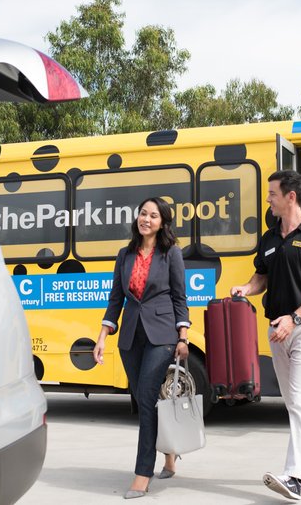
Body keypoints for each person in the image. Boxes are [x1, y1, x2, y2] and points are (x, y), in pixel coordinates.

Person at [231, 170, 301, 501]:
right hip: (277, 330)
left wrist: (294, 317)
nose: (268, 199)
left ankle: (295, 476)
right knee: (294, 402)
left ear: (291, 196)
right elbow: (260, 276)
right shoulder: (270, 238)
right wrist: (246, 289)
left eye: (272, 194)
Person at [93, 196, 191, 500]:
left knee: (147, 398)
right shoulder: (124, 255)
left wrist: (183, 336)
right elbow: (115, 299)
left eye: (153, 215)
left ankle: (142, 473)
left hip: (162, 336)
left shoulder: (171, 253)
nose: (146, 219)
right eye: (142, 214)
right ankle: (170, 452)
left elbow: (179, 297)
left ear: (162, 222)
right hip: (131, 338)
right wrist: (102, 335)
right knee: (144, 401)